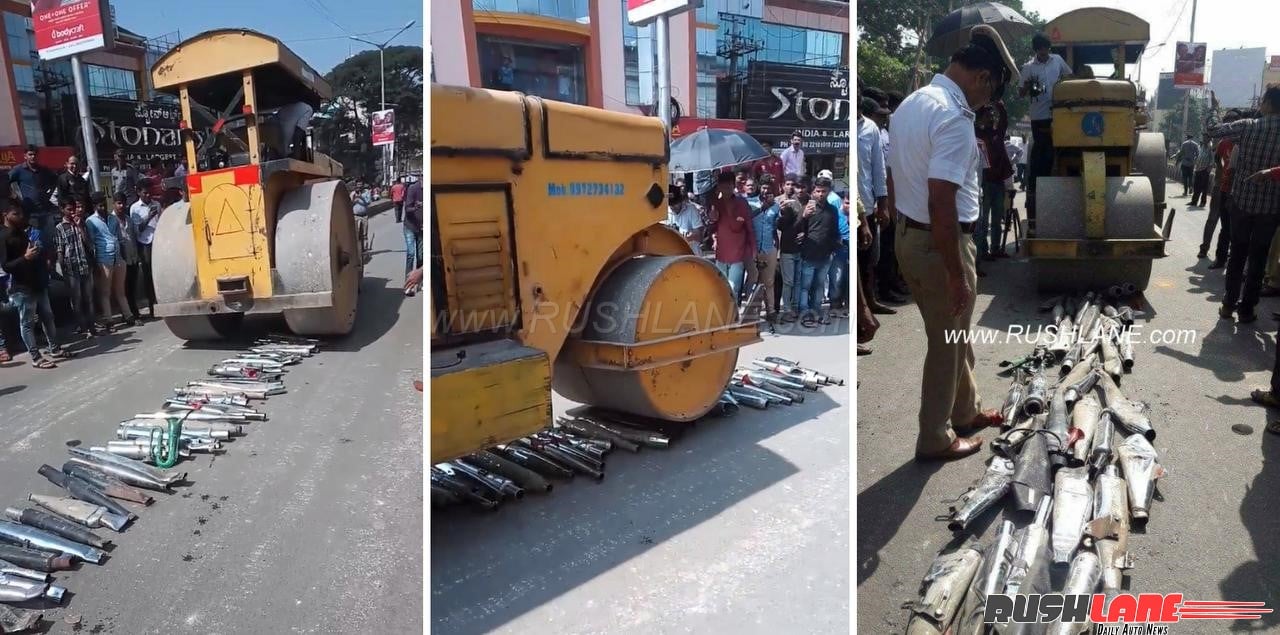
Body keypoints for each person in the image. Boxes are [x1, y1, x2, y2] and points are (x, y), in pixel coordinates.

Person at [888, 25, 1016, 461]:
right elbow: (941, 202)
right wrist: (956, 272)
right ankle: (936, 436)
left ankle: (966, 410)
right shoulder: (954, 120)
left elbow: (895, 177)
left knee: (955, 334)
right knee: (946, 343)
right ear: (982, 78)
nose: (987, 104)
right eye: (991, 92)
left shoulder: (911, 105)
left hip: (912, 236)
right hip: (940, 242)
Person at [1206, 87, 1279, 328]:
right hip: (1270, 209)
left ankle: (1228, 304)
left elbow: (1213, 130)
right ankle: (1247, 309)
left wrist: (1214, 108)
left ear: (1267, 103)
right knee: (1258, 258)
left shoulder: (1248, 125)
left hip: (1242, 203)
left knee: (1237, 254)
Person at [0, 199, 63, 367]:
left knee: (48, 316)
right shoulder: (3, 236)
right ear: (5, 215)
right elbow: (6, 265)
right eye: (16, 214)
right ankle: (36, 357)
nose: (20, 216)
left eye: (21, 213)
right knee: (27, 323)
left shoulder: (22, 232)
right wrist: (25, 258)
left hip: (37, 282)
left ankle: (54, 348)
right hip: (21, 287)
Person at [1019, 33, 1072, 221]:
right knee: (1041, 154)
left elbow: (1069, 77)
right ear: (1036, 50)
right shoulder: (1028, 68)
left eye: (1046, 49)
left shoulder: (1057, 60)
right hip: (1039, 116)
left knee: (1056, 151)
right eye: (1041, 50)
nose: (1044, 53)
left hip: (1058, 114)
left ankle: (1052, 183)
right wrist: (1027, 86)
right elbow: (1021, 93)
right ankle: (1037, 187)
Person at [856, 98, 893, 314]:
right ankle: (860, 321)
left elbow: (879, 170)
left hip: (868, 206)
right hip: (850, 207)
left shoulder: (871, 128)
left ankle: (870, 305)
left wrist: (883, 203)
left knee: (868, 262)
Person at [85, 192, 137, 327]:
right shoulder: (91, 221)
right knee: (105, 291)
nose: (102, 208)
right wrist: (95, 262)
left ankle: (128, 316)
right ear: (95, 206)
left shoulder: (113, 219)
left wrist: (124, 257)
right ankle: (109, 319)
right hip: (103, 258)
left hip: (118, 256)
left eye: (104, 204)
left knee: (120, 290)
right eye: (99, 205)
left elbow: (120, 238)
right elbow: (91, 243)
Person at [796, 177, 840, 326]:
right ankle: (804, 311)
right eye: (818, 191)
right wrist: (804, 216)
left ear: (829, 192)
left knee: (819, 285)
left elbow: (835, 231)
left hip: (826, 255)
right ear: (813, 191)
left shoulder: (832, 210)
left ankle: (816, 310)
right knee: (805, 286)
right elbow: (796, 228)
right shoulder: (807, 208)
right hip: (809, 254)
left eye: (824, 191)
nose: (820, 194)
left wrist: (834, 248)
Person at [1201, 110, 1241, 267]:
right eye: (1228, 121)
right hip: (1223, 188)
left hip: (1236, 190)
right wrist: (1219, 182)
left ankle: (1228, 257)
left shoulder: (1243, 142)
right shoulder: (1222, 143)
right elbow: (1219, 163)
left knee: (1231, 226)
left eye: (1232, 121)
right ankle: (1207, 249)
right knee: (1216, 220)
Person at [53, 198, 98, 336]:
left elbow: (88, 243)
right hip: (71, 269)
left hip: (84, 264)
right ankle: (83, 328)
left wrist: (79, 227)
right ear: (62, 210)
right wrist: (64, 271)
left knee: (89, 299)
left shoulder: (80, 224)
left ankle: (92, 327)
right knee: (77, 301)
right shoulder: (59, 228)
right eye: (69, 210)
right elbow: (60, 250)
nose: (72, 212)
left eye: (73, 209)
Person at [709, 171, 756, 301]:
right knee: (721, 286)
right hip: (721, 253)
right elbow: (711, 229)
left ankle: (733, 315)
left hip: (738, 253)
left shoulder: (742, 203)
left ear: (733, 186)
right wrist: (712, 220)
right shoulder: (715, 204)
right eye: (723, 188)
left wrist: (753, 249)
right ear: (718, 187)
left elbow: (750, 228)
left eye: (729, 187)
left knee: (733, 287)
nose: (726, 191)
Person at [976, 100, 1014, 260]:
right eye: (988, 115)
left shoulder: (997, 133)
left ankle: (996, 249)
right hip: (985, 183)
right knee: (983, 222)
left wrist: (999, 104)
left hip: (998, 183)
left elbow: (1004, 119)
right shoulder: (977, 134)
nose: (991, 117)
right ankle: (983, 252)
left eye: (992, 114)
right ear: (981, 118)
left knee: (997, 220)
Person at [746, 175, 781, 320]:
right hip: (753, 248)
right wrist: (762, 208)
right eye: (764, 187)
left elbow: (776, 226)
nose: (766, 191)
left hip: (769, 247)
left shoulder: (776, 206)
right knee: (753, 280)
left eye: (769, 189)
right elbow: (747, 218)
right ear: (760, 188)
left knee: (769, 281)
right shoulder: (750, 203)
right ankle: (752, 311)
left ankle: (771, 311)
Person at [8, 145, 56, 250]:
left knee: (50, 243)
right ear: (25, 156)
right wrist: (14, 196)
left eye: (34, 154)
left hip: (46, 212)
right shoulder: (18, 170)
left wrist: (49, 193)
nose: (33, 156)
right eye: (30, 154)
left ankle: (50, 264)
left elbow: (55, 180)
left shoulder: (43, 170)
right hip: (30, 214)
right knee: (36, 244)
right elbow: (5, 182)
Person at [776, 177, 805, 321]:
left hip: (800, 248)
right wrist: (782, 211)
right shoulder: (780, 203)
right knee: (788, 281)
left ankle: (795, 308)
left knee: (798, 281)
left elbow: (806, 224)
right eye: (788, 184)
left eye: (794, 185)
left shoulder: (803, 203)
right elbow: (780, 225)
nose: (792, 187)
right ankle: (786, 309)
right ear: (783, 186)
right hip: (785, 249)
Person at [130, 188, 162, 317]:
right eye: (145, 193)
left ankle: (160, 302)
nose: (148, 195)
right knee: (148, 275)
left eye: (149, 192)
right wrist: (149, 216)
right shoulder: (135, 208)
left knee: (158, 274)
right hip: (144, 243)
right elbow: (138, 230)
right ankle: (151, 306)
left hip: (157, 241)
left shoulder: (157, 204)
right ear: (139, 193)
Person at [112, 193, 142, 320]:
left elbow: (133, 238)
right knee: (124, 288)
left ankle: (130, 313)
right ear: (114, 204)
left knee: (132, 286)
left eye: (123, 203)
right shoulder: (111, 220)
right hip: (121, 259)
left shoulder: (128, 219)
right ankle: (131, 314)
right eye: (118, 203)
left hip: (132, 257)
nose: (121, 206)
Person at [667, 184, 705, 255]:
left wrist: (686, 236)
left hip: (692, 253)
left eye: (675, 203)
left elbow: (699, 235)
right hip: (673, 255)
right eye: (671, 204)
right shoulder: (665, 212)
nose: (673, 206)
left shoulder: (691, 209)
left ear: (681, 200)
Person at [403, 176, 424, 297]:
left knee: (421, 255)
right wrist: (417, 207)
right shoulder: (413, 189)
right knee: (411, 253)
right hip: (410, 226)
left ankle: (419, 281)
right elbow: (407, 209)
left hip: (422, 228)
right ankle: (409, 285)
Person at [1189, 133, 1215, 208]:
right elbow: (1199, 156)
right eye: (1203, 137)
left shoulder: (1211, 147)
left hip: (1205, 170)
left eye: (1205, 138)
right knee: (1196, 186)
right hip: (1198, 169)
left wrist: (1209, 169)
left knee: (1204, 187)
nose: (1203, 139)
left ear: (1209, 138)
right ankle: (1194, 201)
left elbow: (1212, 160)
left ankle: (1203, 202)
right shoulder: (1202, 146)